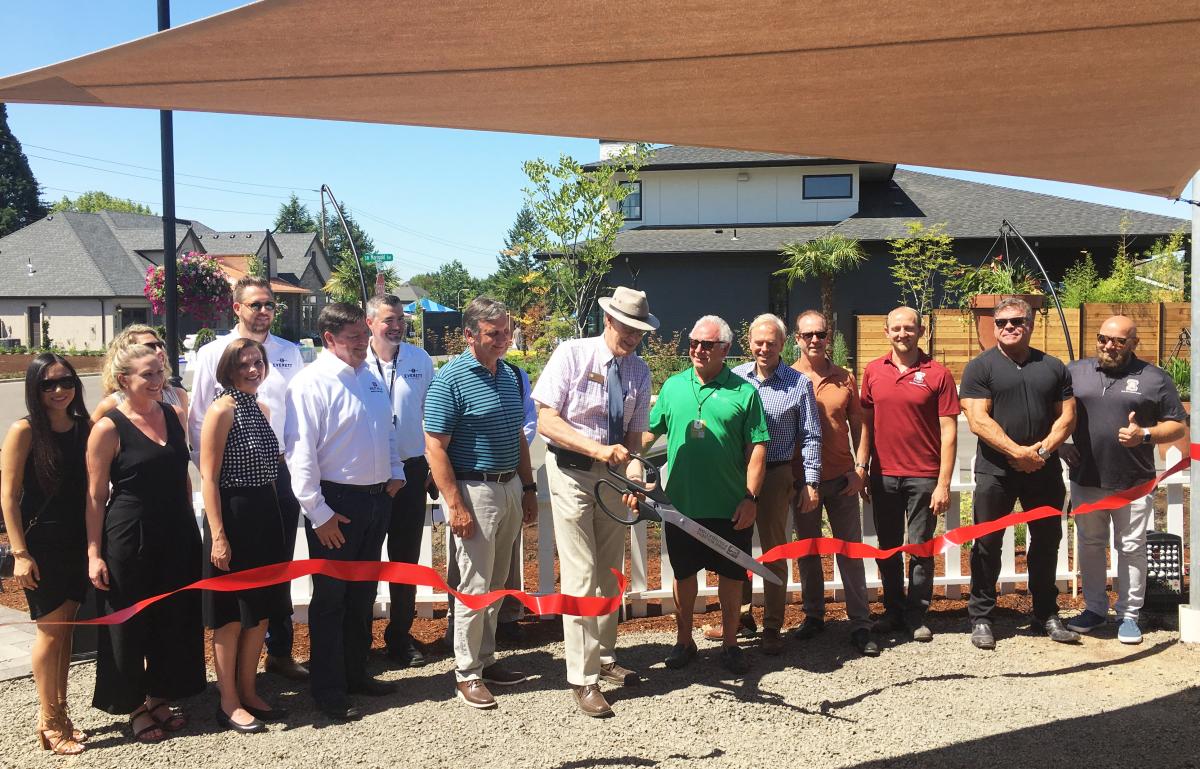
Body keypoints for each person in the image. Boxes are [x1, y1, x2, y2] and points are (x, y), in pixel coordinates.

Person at [532, 286, 656, 717]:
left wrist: (635, 476)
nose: (634, 338)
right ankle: (583, 679)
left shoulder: (639, 372)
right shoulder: (572, 354)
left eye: (640, 331)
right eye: (628, 328)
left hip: (614, 476)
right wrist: (597, 451)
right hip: (570, 473)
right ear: (608, 320)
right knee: (582, 575)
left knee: (609, 571)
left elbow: (633, 439)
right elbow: (546, 419)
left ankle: (605, 658)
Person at [285, 302, 405, 721]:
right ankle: (329, 688)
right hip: (335, 504)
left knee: (362, 595)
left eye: (362, 336)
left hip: (375, 499)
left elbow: (385, 429)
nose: (362, 343)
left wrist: (395, 471)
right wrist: (319, 514)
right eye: (353, 337)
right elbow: (300, 456)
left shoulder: (369, 378)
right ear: (329, 339)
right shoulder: (310, 384)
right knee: (331, 600)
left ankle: (357, 673)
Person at [632, 315, 769, 675]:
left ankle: (730, 643)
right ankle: (684, 641)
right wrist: (628, 464)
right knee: (684, 575)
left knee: (731, 576)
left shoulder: (744, 392)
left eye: (707, 344)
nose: (697, 349)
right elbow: (646, 435)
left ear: (725, 349)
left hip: (730, 506)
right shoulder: (675, 387)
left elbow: (758, 447)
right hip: (681, 506)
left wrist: (750, 497)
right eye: (693, 342)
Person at [86, 342, 205, 742]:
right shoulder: (108, 426)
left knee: (172, 617)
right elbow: (95, 495)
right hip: (129, 533)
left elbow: (182, 474)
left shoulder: (173, 415)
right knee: (130, 621)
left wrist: (191, 523)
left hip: (176, 530)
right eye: (148, 375)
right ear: (124, 380)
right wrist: (93, 553)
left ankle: (159, 694)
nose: (158, 381)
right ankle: (134, 704)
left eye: (161, 373)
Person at [191, 276, 307, 681]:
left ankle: (279, 652)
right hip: (234, 480)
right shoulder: (212, 354)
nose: (263, 312)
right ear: (236, 307)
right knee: (237, 584)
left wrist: (297, 470)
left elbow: (298, 418)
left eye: (270, 305)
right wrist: (214, 477)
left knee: (277, 568)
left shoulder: (291, 353)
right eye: (255, 304)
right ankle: (236, 678)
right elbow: (199, 421)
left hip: (280, 475)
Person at [424, 296, 538, 710]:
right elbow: (435, 446)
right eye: (494, 334)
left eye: (506, 332)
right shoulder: (450, 380)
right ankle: (467, 672)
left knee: (497, 582)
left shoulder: (510, 375)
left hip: (507, 487)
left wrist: (528, 488)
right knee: (473, 585)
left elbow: (520, 438)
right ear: (470, 335)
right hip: (474, 491)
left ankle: (487, 660)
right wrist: (454, 505)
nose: (504, 340)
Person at [960, 297, 1078, 649]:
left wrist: (1039, 453)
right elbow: (978, 419)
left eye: (1016, 321)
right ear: (993, 326)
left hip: (1043, 470)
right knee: (987, 543)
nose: (1009, 327)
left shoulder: (1053, 367)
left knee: (1045, 542)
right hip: (996, 470)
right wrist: (1017, 452)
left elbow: (1067, 417)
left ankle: (1045, 613)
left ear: (1031, 323)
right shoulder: (980, 367)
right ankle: (982, 616)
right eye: (1001, 322)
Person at [1063, 315, 1186, 644]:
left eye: (1119, 341)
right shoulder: (1076, 372)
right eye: (1104, 338)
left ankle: (1129, 614)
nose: (1109, 346)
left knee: (1131, 548)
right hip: (1086, 478)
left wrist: (1144, 434)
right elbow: (1054, 413)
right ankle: (1094, 609)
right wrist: (1060, 444)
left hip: (1133, 481)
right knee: (1090, 546)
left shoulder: (1154, 378)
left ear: (1134, 343)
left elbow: (1177, 425)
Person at [708, 313, 820, 656]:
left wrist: (810, 481)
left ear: (783, 345)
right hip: (735, 475)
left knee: (773, 551)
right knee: (734, 548)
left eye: (771, 342)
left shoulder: (798, 384)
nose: (764, 348)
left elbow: (811, 435)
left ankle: (772, 625)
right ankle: (740, 616)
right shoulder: (734, 380)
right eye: (758, 341)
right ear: (749, 343)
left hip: (775, 474)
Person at [199, 338, 291, 733]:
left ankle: (250, 691)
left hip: (264, 516)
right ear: (229, 370)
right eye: (245, 364)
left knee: (261, 611)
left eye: (258, 362)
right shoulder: (221, 410)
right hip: (232, 517)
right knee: (232, 616)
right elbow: (209, 477)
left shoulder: (260, 408)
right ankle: (229, 701)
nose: (254, 370)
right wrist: (219, 535)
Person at [1, 354, 91, 754]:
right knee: (50, 632)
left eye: (65, 381)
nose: (58, 390)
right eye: (48, 384)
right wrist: (19, 552)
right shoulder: (24, 431)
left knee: (66, 632)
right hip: (41, 547)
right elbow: (8, 497)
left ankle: (61, 713)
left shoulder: (83, 428)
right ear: (35, 389)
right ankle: (49, 719)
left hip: (76, 542)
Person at [860, 307, 959, 643]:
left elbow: (949, 431)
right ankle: (892, 609)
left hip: (923, 477)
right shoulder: (873, 371)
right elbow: (866, 426)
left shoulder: (938, 374)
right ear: (886, 332)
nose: (903, 334)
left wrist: (943, 482)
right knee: (888, 548)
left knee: (920, 548)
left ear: (921, 331)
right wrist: (862, 466)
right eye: (896, 328)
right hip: (883, 475)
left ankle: (916, 613)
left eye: (909, 328)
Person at [790, 310, 877, 656]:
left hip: (842, 479)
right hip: (803, 482)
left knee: (850, 551)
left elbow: (861, 425)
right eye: (808, 334)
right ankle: (814, 615)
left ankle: (860, 622)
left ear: (829, 337)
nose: (815, 340)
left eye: (820, 334)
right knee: (808, 552)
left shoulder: (845, 378)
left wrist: (861, 467)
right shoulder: (787, 377)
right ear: (797, 339)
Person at [364, 294, 435, 667]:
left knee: (404, 560)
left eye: (400, 319)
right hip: (369, 475)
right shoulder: (357, 360)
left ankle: (399, 636)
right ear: (370, 321)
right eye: (389, 319)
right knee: (365, 560)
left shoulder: (419, 359)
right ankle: (358, 639)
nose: (396, 326)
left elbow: (432, 414)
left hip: (410, 471)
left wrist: (431, 466)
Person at [90, 324, 189, 424]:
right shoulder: (111, 405)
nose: (159, 351)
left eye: (159, 345)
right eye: (149, 347)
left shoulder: (178, 396)